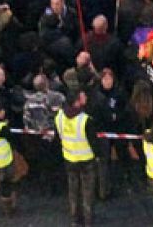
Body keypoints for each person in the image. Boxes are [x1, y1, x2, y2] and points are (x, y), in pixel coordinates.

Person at [56, 91, 100, 227]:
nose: (85, 98)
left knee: (73, 190)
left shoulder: (59, 117)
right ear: (76, 102)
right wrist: (98, 156)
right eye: (82, 97)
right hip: (86, 160)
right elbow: (93, 142)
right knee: (87, 192)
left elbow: (58, 136)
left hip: (69, 158)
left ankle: (75, 219)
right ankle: (88, 220)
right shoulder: (85, 120)